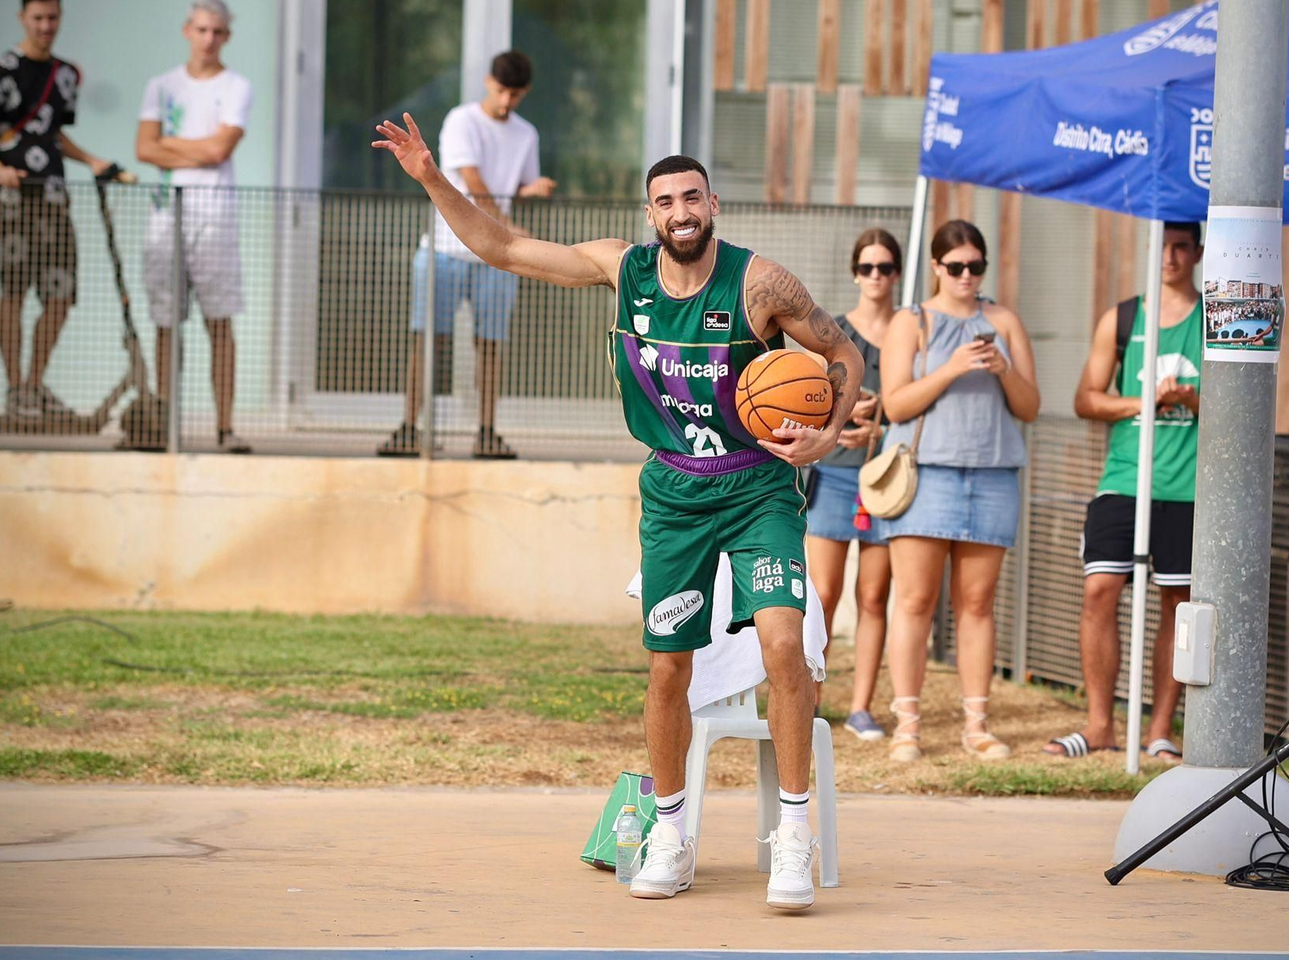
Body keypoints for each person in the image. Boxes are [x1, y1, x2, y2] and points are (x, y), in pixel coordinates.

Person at [373, 115, 863, 910]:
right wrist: (433, 177)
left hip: (757, 484)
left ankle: (794, 839)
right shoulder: (621, 270)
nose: (680, 211)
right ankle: (671, 830)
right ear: (650, 214)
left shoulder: (758, 284)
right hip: (673, 489)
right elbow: (502, 248)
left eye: (692, 197)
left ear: (713, 205)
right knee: (669, 665)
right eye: (665, 200)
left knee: (783, 647)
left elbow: (844, 353)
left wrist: (828, 434)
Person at [877, 220, 1040, 763]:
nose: (967, 276)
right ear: (936, 268)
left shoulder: (1004, 321)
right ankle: (908, 725)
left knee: (977, 603)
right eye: (956, 267)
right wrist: (950, 368)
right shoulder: (911, 320)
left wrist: (1002, 369)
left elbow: (1030, 407)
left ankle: (977, 725)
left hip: (992, 472)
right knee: (916, 600)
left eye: (976, 266)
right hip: (927, 475)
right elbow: (894, 405)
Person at [1045, 221, 1204, 763]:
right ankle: (1100, 726)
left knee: (1177, 604)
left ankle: (1160, 729)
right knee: (1099, 591)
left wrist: (1189, 397)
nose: (1171, 257)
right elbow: (1087, 399)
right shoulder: (1124, 317)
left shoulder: (1214, 318)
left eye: (1182, 247)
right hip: (1122, 479)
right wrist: (1146, 403)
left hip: (1186, 489)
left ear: (1199, 252)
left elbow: (1243, 408)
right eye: (1164, 246)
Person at [378, 51, 557, 460]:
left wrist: (532, 192)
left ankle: (487, 432)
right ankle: (409, 428)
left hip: (496, 257)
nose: (506, 101)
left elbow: (516, 188)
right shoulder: (462, 120)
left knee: (491, 345)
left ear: (524, 92)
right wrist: (511, 228)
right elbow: (474, 184)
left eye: (515, 94)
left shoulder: (525, 133)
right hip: (445, 248)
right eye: (501, 91)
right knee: (427, 341)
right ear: (488, 82)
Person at [0, 0, 116, 421]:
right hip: (11, 197)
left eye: (52, 17)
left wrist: (91, 160)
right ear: (22, 18)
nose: (46, 26)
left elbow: (51, 133)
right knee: (13, 289)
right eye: (37, 18)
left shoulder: (65, 74)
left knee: (61, 293)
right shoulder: (1, 70)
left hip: (52, 195)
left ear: (60, 17)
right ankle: (15, 388)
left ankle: (35, 384)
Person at [135, 0, 253, 453]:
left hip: (214, 216)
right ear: (188, 30)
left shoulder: (236, 86)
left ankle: (224, 427)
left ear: (226, 35)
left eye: (217, 31)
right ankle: (166, 423)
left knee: (219, 321)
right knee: (166, 322)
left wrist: (171, 143)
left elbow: (219, 151)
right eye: (201, 30)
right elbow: (144, 148)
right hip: (166, 214)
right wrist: (195, 147)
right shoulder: (161, 85)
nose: (208, 39)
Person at [805, 229, 899, 741]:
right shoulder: (834, 332)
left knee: (874, 594)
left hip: (887, 480)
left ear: (898, 273)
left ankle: (861, 707)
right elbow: (805, 397)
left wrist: (882, 420)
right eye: (867, 268)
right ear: (854, 272)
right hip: (835, 473)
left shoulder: (910, 331)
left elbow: (914, 402)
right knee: (822, 592)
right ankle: (810, 698)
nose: (876, 278)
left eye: (885, 268)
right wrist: (843, 411)